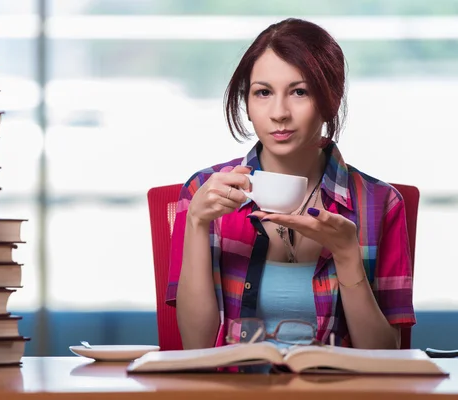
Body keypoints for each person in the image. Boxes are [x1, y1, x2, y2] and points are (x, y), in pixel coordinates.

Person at [166, 18, 415, 352]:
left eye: (300, 92)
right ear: (248, 102)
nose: (279, 112)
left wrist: (346, 257)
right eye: (263, 93)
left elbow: (387, 356)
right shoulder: (203, 191)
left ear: (332, 97)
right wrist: (197, 223)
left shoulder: (380, 202)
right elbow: (195, 345)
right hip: (232, 386)